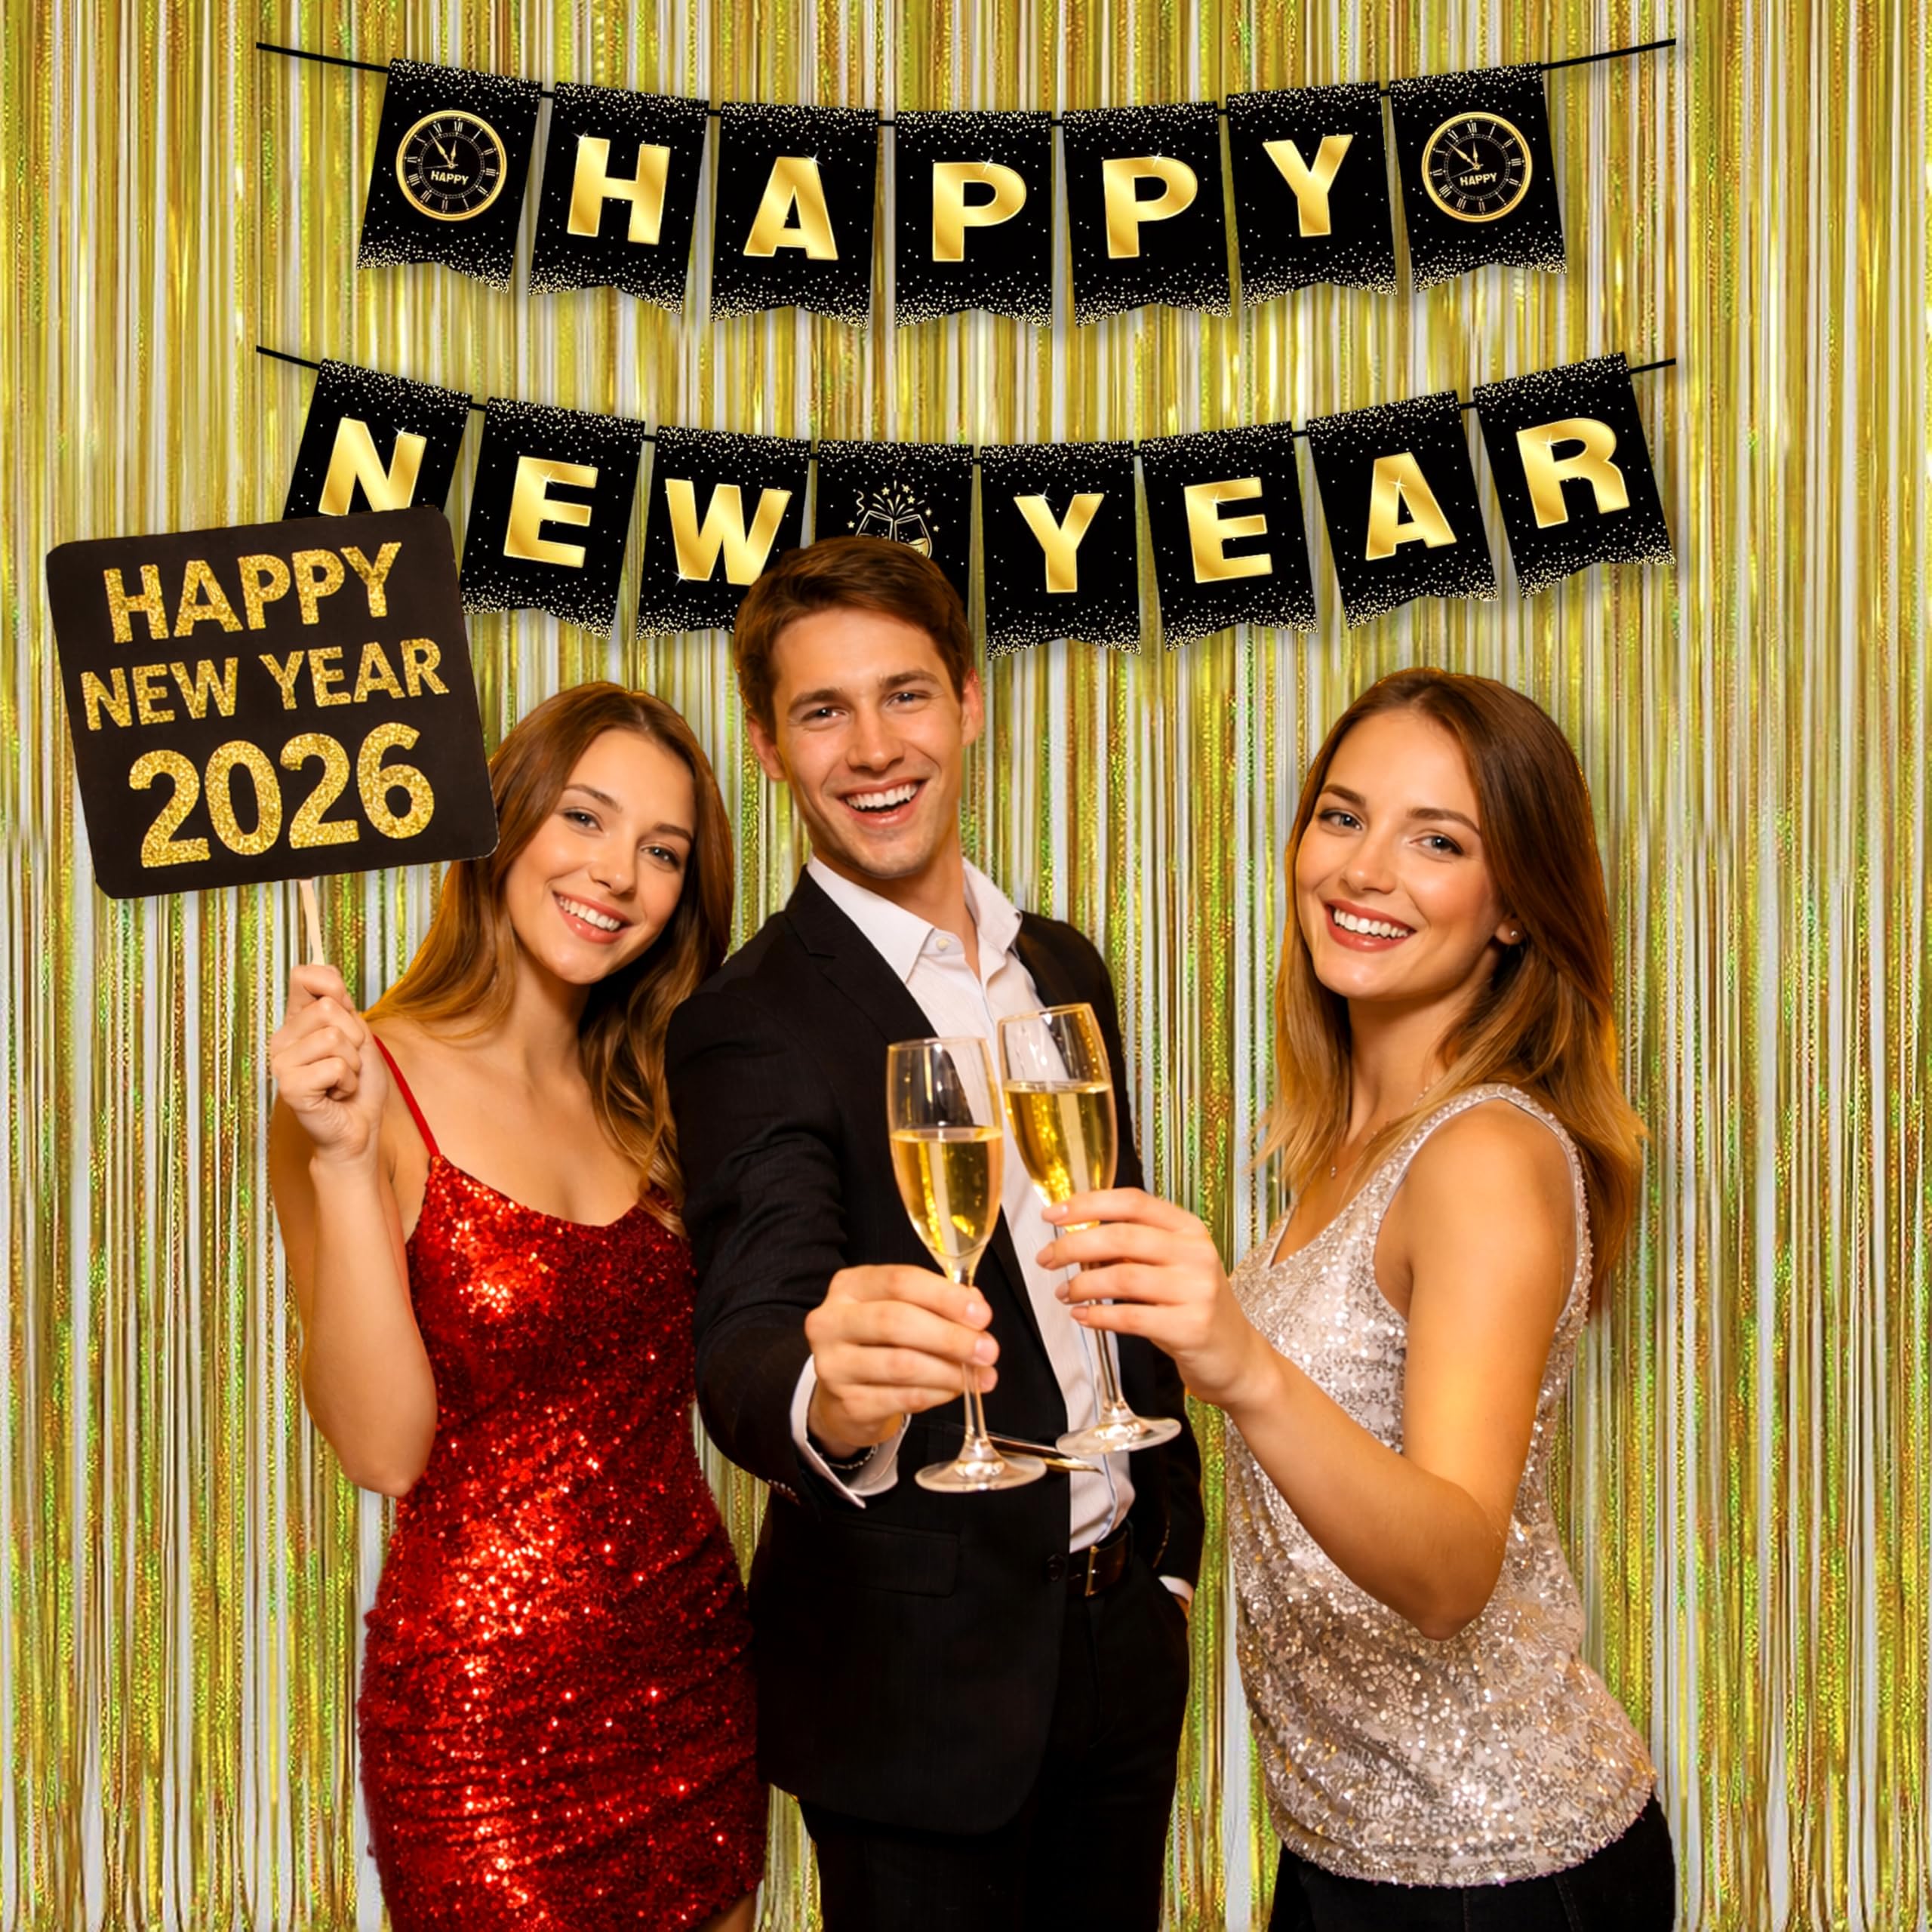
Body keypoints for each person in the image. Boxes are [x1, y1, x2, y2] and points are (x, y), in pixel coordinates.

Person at [1038, 669, 1675, 1928]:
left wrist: (1242, 1367)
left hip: (1495, 1869)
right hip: (1342, 1846)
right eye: (1343, 816)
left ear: (1513, 908)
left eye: (1439, 841)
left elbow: (1452, 1573)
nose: (1364, 870)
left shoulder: (1484, 1154)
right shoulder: (1346, 1141)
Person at [664, 536, 1203, 1931]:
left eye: (904, 694)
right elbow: (750, 1331)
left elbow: (1113, 1267)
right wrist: (828, 1393)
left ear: (967, 702)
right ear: (769, 749)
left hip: (1123, 1640)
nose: (872, 747)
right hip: (913, 1694)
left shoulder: (1060, 966)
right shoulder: (746, 1022)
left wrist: (1170, 1562)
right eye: (821, 711)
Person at [266, 684, 765, 1932]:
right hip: (483, 1724)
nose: (620, 874)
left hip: (694, 1677)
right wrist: (343, 1161)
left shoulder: (662, 1096)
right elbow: (384, 1450)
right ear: (504, 820)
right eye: (585, 818)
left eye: (664, 850)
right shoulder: (355, 1083)